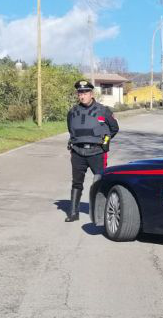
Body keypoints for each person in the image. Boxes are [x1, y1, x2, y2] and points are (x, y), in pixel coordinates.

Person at [65, 79, 119, 222]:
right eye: (80, 93)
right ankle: (73, 213)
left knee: (101, 182)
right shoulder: (72, 112)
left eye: (85, 92)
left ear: (91, 93)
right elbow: (71, 130)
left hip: (97, 152)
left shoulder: (103, 110)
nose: (82, 95)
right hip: (78, 152)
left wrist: (105, 140)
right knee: (76, 183)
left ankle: (102, 213)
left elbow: (114, 128)